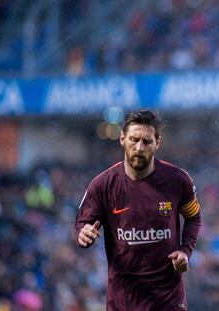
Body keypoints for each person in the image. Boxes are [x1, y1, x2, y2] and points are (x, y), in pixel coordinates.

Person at [74, 109, 201, 310]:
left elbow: (194, 218)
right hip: (123, 302)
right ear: (122, 139)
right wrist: (83, 234)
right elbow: (81, 224)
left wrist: (185, 251)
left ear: (157, 143)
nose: (139, 147)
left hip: (167, 301)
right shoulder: (102, 185)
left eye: (147, 141)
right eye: (134, 139)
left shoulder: (178, 180)